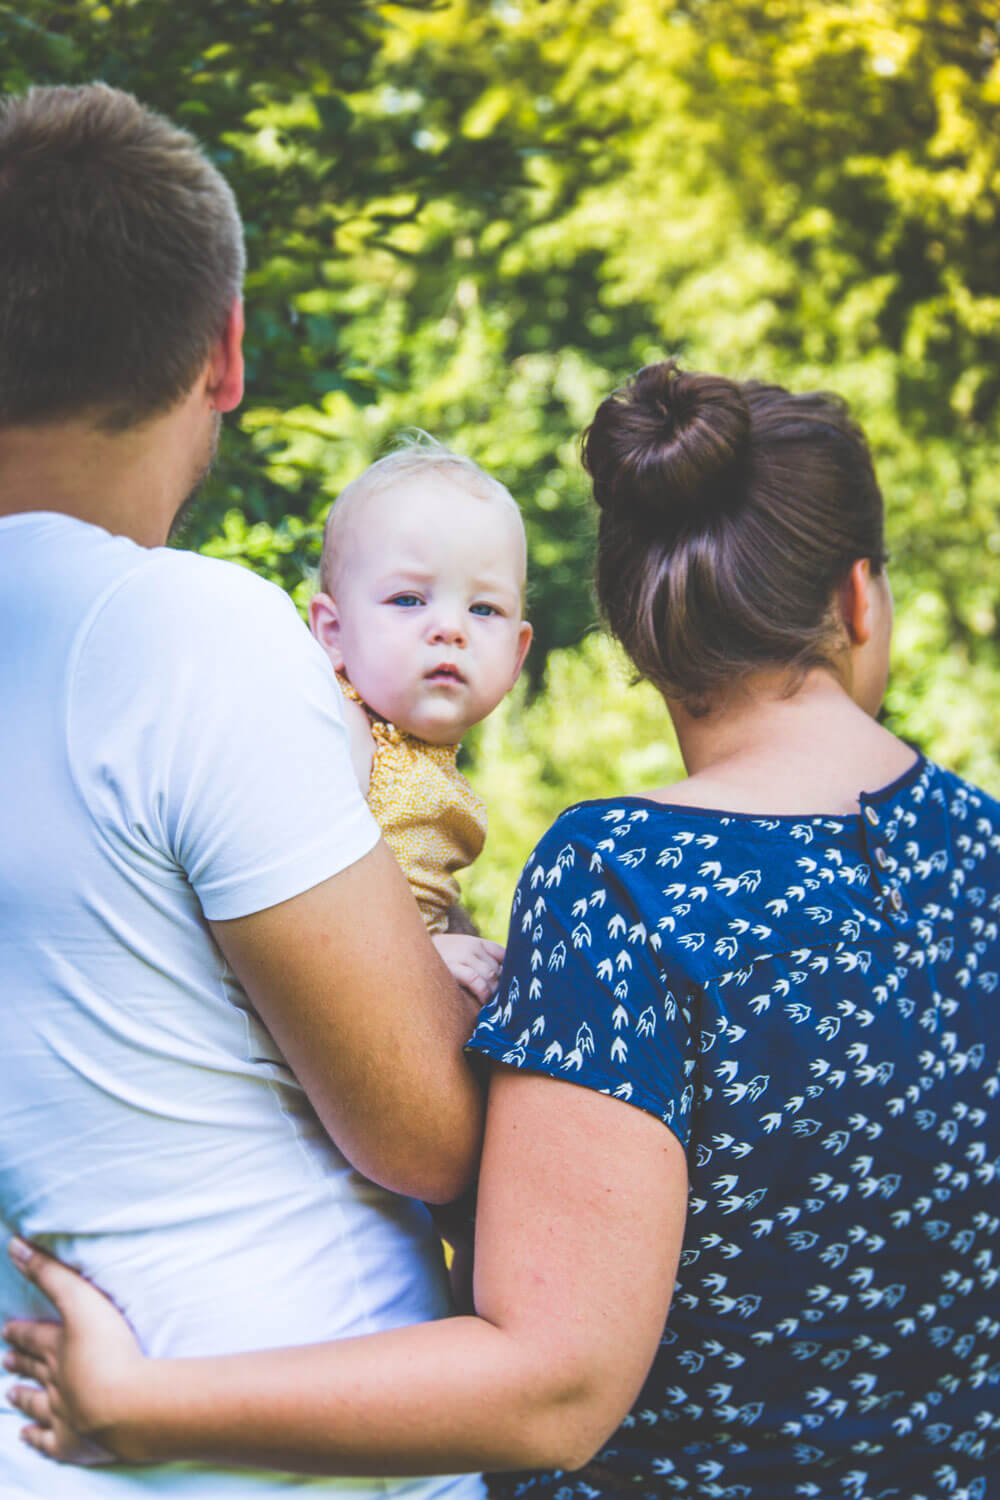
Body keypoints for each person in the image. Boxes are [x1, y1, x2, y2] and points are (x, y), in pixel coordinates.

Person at [6, 361, 999, 1499]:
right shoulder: (983, 855)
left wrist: (133, 1405)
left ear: (633, 629)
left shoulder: (625, 881)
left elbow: (553, 1387)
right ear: (862, 598)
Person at [0, 81, 486, 1500]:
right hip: (295, 1445)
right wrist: (464, 973)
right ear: (224, 353)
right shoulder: (184, 632)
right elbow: (420, 1129)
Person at [308, 442, 533, 1003]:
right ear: (333, 633)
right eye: (409, 600)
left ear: (517, 655)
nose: (450, 628)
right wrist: (419, 956)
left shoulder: (421, 756)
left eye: (484, 610)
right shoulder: (339, 728)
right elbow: (299, 903)